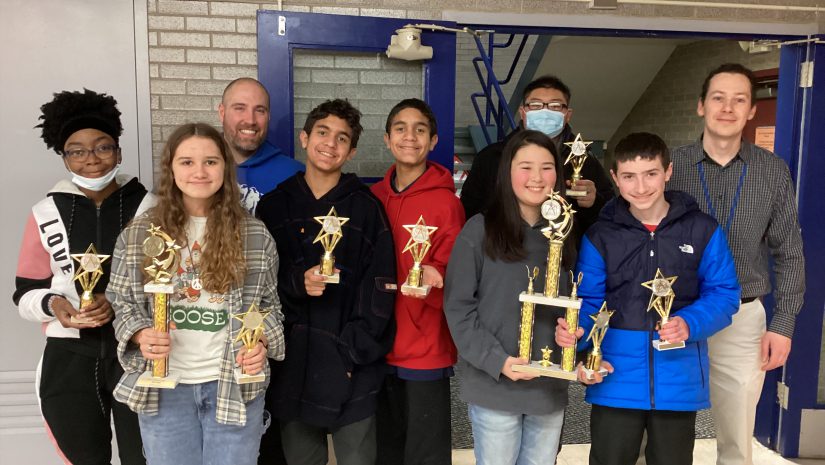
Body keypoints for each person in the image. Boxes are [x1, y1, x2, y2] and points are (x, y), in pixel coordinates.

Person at [555, 132, 740, 465]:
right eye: (628, 176)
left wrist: (689, 323)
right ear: (615, 178)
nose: (640, 187)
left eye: (650, 173)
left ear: (667, 172)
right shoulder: (601, 234)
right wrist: (579, 336)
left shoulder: (702, 229)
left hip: (677, 380)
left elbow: (725, 293)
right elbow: (589, 299)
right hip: (615, 376)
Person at [107, 123, 285, 465]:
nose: (199, 172)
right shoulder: (141, 232)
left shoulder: (254, 234)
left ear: (225, 168)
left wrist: (260, 343)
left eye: (211, 162)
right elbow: (122, 300)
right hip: (165, 389)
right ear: (171, 168)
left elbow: (270, 307)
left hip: (233, 385)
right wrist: (141, 333)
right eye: (187, 162)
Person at [667, 63, 805, 465]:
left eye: (739, 100)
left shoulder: (772, 171)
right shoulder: (671, 169)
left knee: (735, 439)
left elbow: (790, 252)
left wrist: (782, 326)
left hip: (741, 317)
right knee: (661, 430)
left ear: (750, 112)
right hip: (675, 315)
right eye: (718, 98)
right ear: (700, 107)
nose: (727, 108)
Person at [12, 89, 150, 465]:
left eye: (103, 147)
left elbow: (172, 282)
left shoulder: (151, 206)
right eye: (77, 150)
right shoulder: (44, 212)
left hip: (138, 353)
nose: (91, 159)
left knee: (148, 457)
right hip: (69, 357)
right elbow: (25, 293)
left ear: (118, 152)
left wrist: (121, 304)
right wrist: (56, 305)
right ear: (64, 157)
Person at [255, 99, 396, 465]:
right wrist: (295, 283)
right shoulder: (274, 206)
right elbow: (257, 281)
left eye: (342, 138)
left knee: (359, 458)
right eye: (322, 133)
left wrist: (355, 348)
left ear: (351, 153)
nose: (330, 144)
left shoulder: (366, 208)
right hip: (293, 360)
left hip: (352, 361)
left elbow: (381, 284)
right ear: (304, 138)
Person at [445, 130, 574, 465]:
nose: (537, 177)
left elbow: (573, 303)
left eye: (547, 167)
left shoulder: (565, 235)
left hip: (547, 388)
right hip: (494, 384)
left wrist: (572, 334)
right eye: (525, 166)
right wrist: (497, 361)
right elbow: (458, 307)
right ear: (507, 172)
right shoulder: (479, 230)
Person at [370, 98, 466, 465]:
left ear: (433, 140)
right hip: (379, 343)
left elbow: (456, 268)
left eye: (420, 130)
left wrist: (438, 273)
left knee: (425, 451)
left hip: (424, 344)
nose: (409, 137)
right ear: (387, 138)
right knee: (386, 448)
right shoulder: (373, 197)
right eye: (400, 128)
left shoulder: (447, 204)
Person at [460, 75, 614, 245]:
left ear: (567, 115)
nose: (545, 112)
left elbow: (610, 216)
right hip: (502, 253)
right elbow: (469, 210)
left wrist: (594, 203)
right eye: (536, 105)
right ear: (523, 112)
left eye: (555, 106)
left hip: (565, 257)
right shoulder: (492, 157)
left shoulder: (585, 162)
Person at [219, 77, 304, 213]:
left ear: (269, 116)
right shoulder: (196, 168)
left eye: (259, 110)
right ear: (222, 113)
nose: (250, 120)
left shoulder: (295, 175)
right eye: (240, 108)